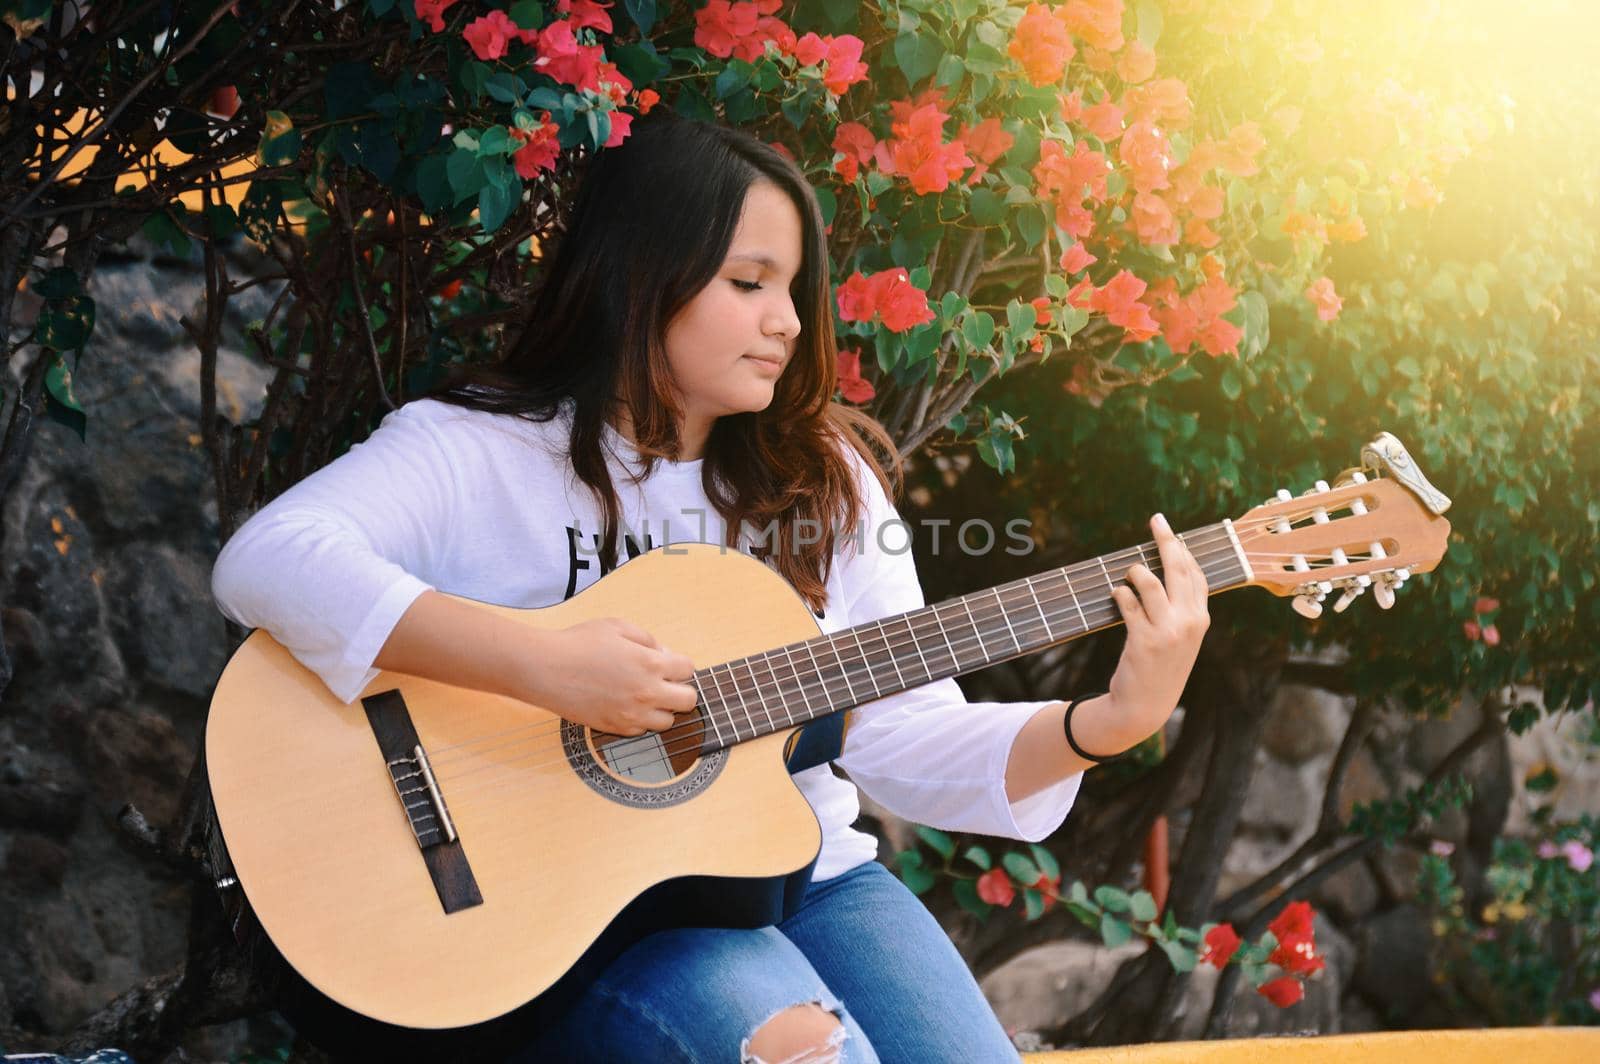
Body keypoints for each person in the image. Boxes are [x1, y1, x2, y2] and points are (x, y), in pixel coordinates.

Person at [210, 111, 1210, 1063]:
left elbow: (896, 732)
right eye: (749, 282)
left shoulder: (826, 479)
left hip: (809, 877)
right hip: (575, 910)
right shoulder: (483, 450)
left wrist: (1108, 720)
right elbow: (269, 556)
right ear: (645, 276)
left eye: (793, 290)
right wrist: (540, 664)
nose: (786, 321)